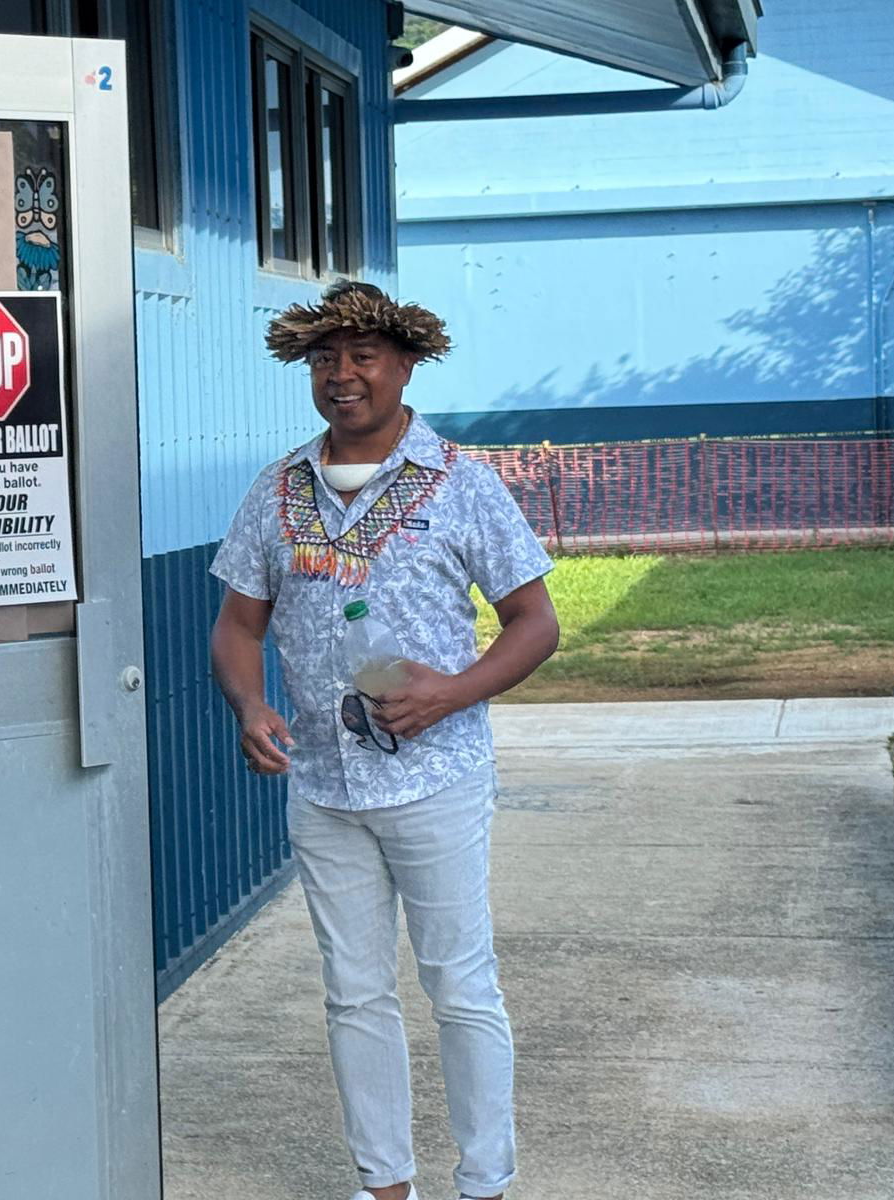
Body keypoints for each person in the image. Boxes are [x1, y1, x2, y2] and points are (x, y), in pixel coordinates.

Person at [209, 281, 559, 1200]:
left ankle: (485, 1181)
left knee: (460, 988)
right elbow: (237, 626)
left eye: (363, 356)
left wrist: (452, 694)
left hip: (436, 782)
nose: (343, 375)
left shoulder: (463, 484)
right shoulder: (278, 489)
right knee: (354, 994)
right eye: (326, 359)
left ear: (406, 366)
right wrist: (250, 706)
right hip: (324, 790)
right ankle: (382, 1184)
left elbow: (533, 622)